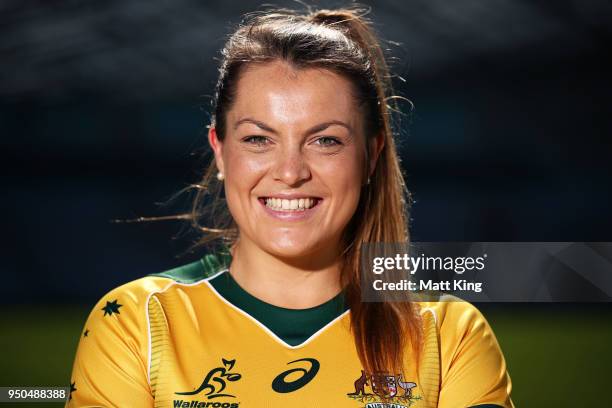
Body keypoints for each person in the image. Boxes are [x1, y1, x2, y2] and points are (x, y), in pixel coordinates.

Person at [66, 6, 513, 408]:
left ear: (371, 156)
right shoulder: (137, 323)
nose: (290, 171)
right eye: (259, 139)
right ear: (220, 151)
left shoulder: (447, 334)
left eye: (326, 141)